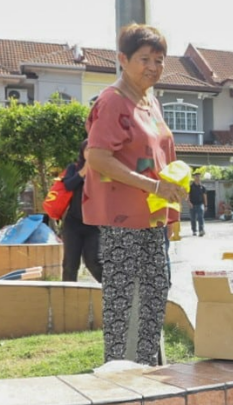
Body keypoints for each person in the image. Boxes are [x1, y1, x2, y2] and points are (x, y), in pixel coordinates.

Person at [83, 23, 187, 366]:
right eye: (145, 59)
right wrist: (155, 186)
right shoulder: (112, 101)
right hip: (122, 218)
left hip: (153, 218)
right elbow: (97, 157)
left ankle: (147, 369)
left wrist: (171, 203)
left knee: (156, 291)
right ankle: (119, 374)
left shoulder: (151, 101)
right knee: (123, 299)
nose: (154, 68)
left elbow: (161, 155)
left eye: (159, 60)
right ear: (123, 59)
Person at [60, 139, 102, 283]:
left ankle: (113, 293)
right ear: (82, 152)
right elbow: (68, 185)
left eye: (93, 150)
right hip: (73, 223)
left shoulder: (103, 170)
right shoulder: (74, 167)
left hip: (94, 224)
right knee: (70, 264)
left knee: (94, 262)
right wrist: (84, 171)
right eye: (87, 150)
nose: (90, 153)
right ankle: (67, 298)